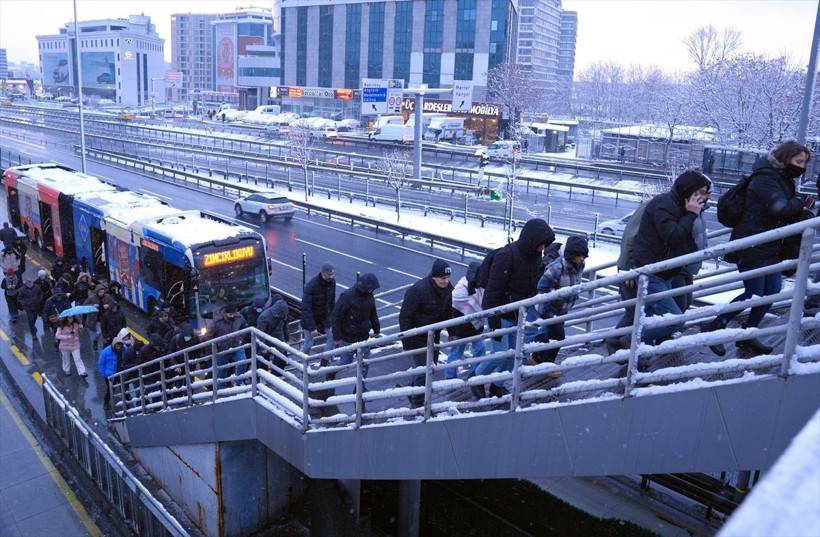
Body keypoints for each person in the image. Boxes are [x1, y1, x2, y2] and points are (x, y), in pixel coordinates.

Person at [704, 141, 813, 356]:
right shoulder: (766, 178)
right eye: (799, 161)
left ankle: (748, 335)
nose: (802, 167)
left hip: (768, 245)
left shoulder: (782, 179)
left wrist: (802, 209)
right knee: (754, 292)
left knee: (771, 292)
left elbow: (784, 210)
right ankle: (715, 326)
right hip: (751, 244)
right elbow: (780, 208)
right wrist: (800, 201)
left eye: (804, 163)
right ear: (785, 158)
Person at [605, 170, 712, 357]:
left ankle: (635, 355)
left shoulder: (685, 206)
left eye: (707, 193)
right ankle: (627, 342)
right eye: (702, 192)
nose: (705, 197)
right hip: (652, 270)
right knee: (672, 320)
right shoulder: (665, 205)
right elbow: (666, 236)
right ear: (689, 189)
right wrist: (628, 268)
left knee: (654, 315)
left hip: (669, 270)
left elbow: (690, 239)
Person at [474, 218, 556, 399]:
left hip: (518, 313)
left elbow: (530, 284)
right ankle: (476, 379)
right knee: (501, 354)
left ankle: (497, 384)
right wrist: (493, 319)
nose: (542, 248)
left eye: (545, 245)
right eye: (541, 244)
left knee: (514, 355)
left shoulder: (535, 256)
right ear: (532, 239)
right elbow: (493, 290)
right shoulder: (507, 255)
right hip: (500, 312)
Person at [530, 236, 589, 377]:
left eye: (583, 256)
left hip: (563, 308)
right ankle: (548, 365)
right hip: (549, 309)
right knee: (559, 337)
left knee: (549, 334)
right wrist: (558, 296)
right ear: (571, 254)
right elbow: (541, 287)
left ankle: (536, 357)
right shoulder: (556, 268)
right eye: (579, 255)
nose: (582, 259)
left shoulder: (580, 265)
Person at [399, 259, 454, 407]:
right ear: (434, 277)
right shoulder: (418, 290)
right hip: (418, 335)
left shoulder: (449, 289)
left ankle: (411, 388)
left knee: (431, 367)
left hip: (433, 335)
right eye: (443, 278)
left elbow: (449, 312)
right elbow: (405, 316)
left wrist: (451, 332)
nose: (446, 281)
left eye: (448, 278)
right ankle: (417, 401)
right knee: (425, 370)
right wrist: (407, 343)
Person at [328, 273, 382, 385]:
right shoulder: (347, 296)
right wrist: (337, 336)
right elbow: (336, 316)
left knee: (364, 362)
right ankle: (330, 371)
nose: (372, 291)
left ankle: (360, 387)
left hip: (363, 336)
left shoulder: (368, 295)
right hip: (348, 336)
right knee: (345, 361)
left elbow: (373, 313)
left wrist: (377, 329)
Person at [671, 180, 712, 314]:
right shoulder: (684, 210)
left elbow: (699, 236)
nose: (709, 197)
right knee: (679, 306)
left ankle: (670, 331)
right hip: (679, 267)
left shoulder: (700, 211)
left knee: (687, 302)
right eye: (704, 193)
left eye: (709, 193)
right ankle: (666, 333)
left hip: (690, 266)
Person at [444, 262, 485, 381]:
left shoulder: (481, 286)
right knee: (455, 353)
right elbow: (451, 305)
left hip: (476, 328)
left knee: (481, 349)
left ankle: (474, 374)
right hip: (461, 327)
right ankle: (449, 379)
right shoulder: (462, 287)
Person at [300, 262, 337, 355]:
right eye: (329, 274)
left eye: (333, 274)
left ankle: (324, 361)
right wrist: (312, 328)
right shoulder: (311, 286)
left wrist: (334, 317)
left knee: (332, 337)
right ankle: (302, 363)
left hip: (324, 316)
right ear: (323, 273)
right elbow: (306, 309)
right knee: (308, 343)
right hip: (312, 317)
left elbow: (332, 302)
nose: (331, 277)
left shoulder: (332, 282)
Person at [210, 303, 249, 387]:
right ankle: (221, 389)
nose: (232, 316)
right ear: (225, 313)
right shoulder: (217, 321)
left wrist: (241, 338)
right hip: (222, 348)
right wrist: (215, 348)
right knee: (222, 371)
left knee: (243, 362)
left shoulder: (239, 317)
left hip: (236, 346)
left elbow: (245, 327)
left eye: (233, 314)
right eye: (230, 314)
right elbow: (209, 335)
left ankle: (239, 382)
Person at [257, 294, 291, 374]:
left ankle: (278, 375)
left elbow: (285, 327)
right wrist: (262, 347)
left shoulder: (283, 314)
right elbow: (260, 334)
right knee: (264, 362)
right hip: (267, 341)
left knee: (282, 360)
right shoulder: (264, 317)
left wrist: (286, 339)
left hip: (279, 340)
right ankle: (262, 376)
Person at [84, 284, 115, 351]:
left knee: (105, 333)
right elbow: (85, 305)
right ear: (97, 292)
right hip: (96, 319)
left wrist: (109, 305)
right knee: (98, 332)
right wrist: (93, 305)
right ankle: (95, 341)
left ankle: (105, 346)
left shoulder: (108, 297)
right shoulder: (91, 298)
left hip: (105, 318)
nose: (102, 293)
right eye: (100, 292)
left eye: (103, 292)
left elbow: (114, 303)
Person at [98, 336, 126, 411]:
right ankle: (106, 402)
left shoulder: (124, 350)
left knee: (124, 388)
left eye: (120, 345)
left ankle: (126, 402)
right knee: (110, 391)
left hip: (120, 373)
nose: (119, 347)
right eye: (117, 345)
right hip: (110, 375)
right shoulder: (106, 352)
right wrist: (104, 375)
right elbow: (101, 364)